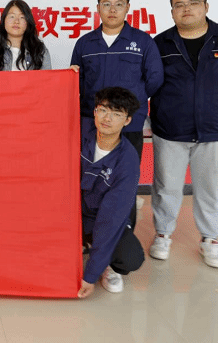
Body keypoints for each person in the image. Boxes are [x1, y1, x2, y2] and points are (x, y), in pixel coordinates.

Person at [149, 0, 218, 269]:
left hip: (214, 128)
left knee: (210, 187)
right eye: (179, 5)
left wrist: (212, 98)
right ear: (172, 12)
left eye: (193, 2)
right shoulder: (160, 43)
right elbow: (152, 80)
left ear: (206, 7)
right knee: (166, 186)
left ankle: (210, 239)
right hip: (170, 129)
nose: (186, 9)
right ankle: (163, 234)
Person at [70, 0, 163, 162]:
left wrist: (133, 100)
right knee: (91, 172)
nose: (112, 10)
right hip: (93, 122)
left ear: (127, 7)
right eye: (106, 4)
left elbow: (155, 78)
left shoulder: (143, 41)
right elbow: (77, 81)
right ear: (98, 8)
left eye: (119, 4)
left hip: (129, 123)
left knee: (126, 172)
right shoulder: (85, 43)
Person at [77, 87, 145, 298]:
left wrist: (90, 275)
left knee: (130, 257)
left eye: (116, 114)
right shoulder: (80, 130)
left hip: (98, 218)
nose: (107, 118)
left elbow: (110, 218)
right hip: (70, 213)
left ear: (127, 120)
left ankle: (107, 265)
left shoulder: (128, 161)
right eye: (103, 110)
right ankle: (78, 244)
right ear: (95, 111)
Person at [0, 0, 52, 71]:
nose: (16, 21)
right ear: (4, 20)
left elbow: (47, 77)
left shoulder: (39, 51)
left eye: (22, 17)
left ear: (28, 22)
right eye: (12, 16)